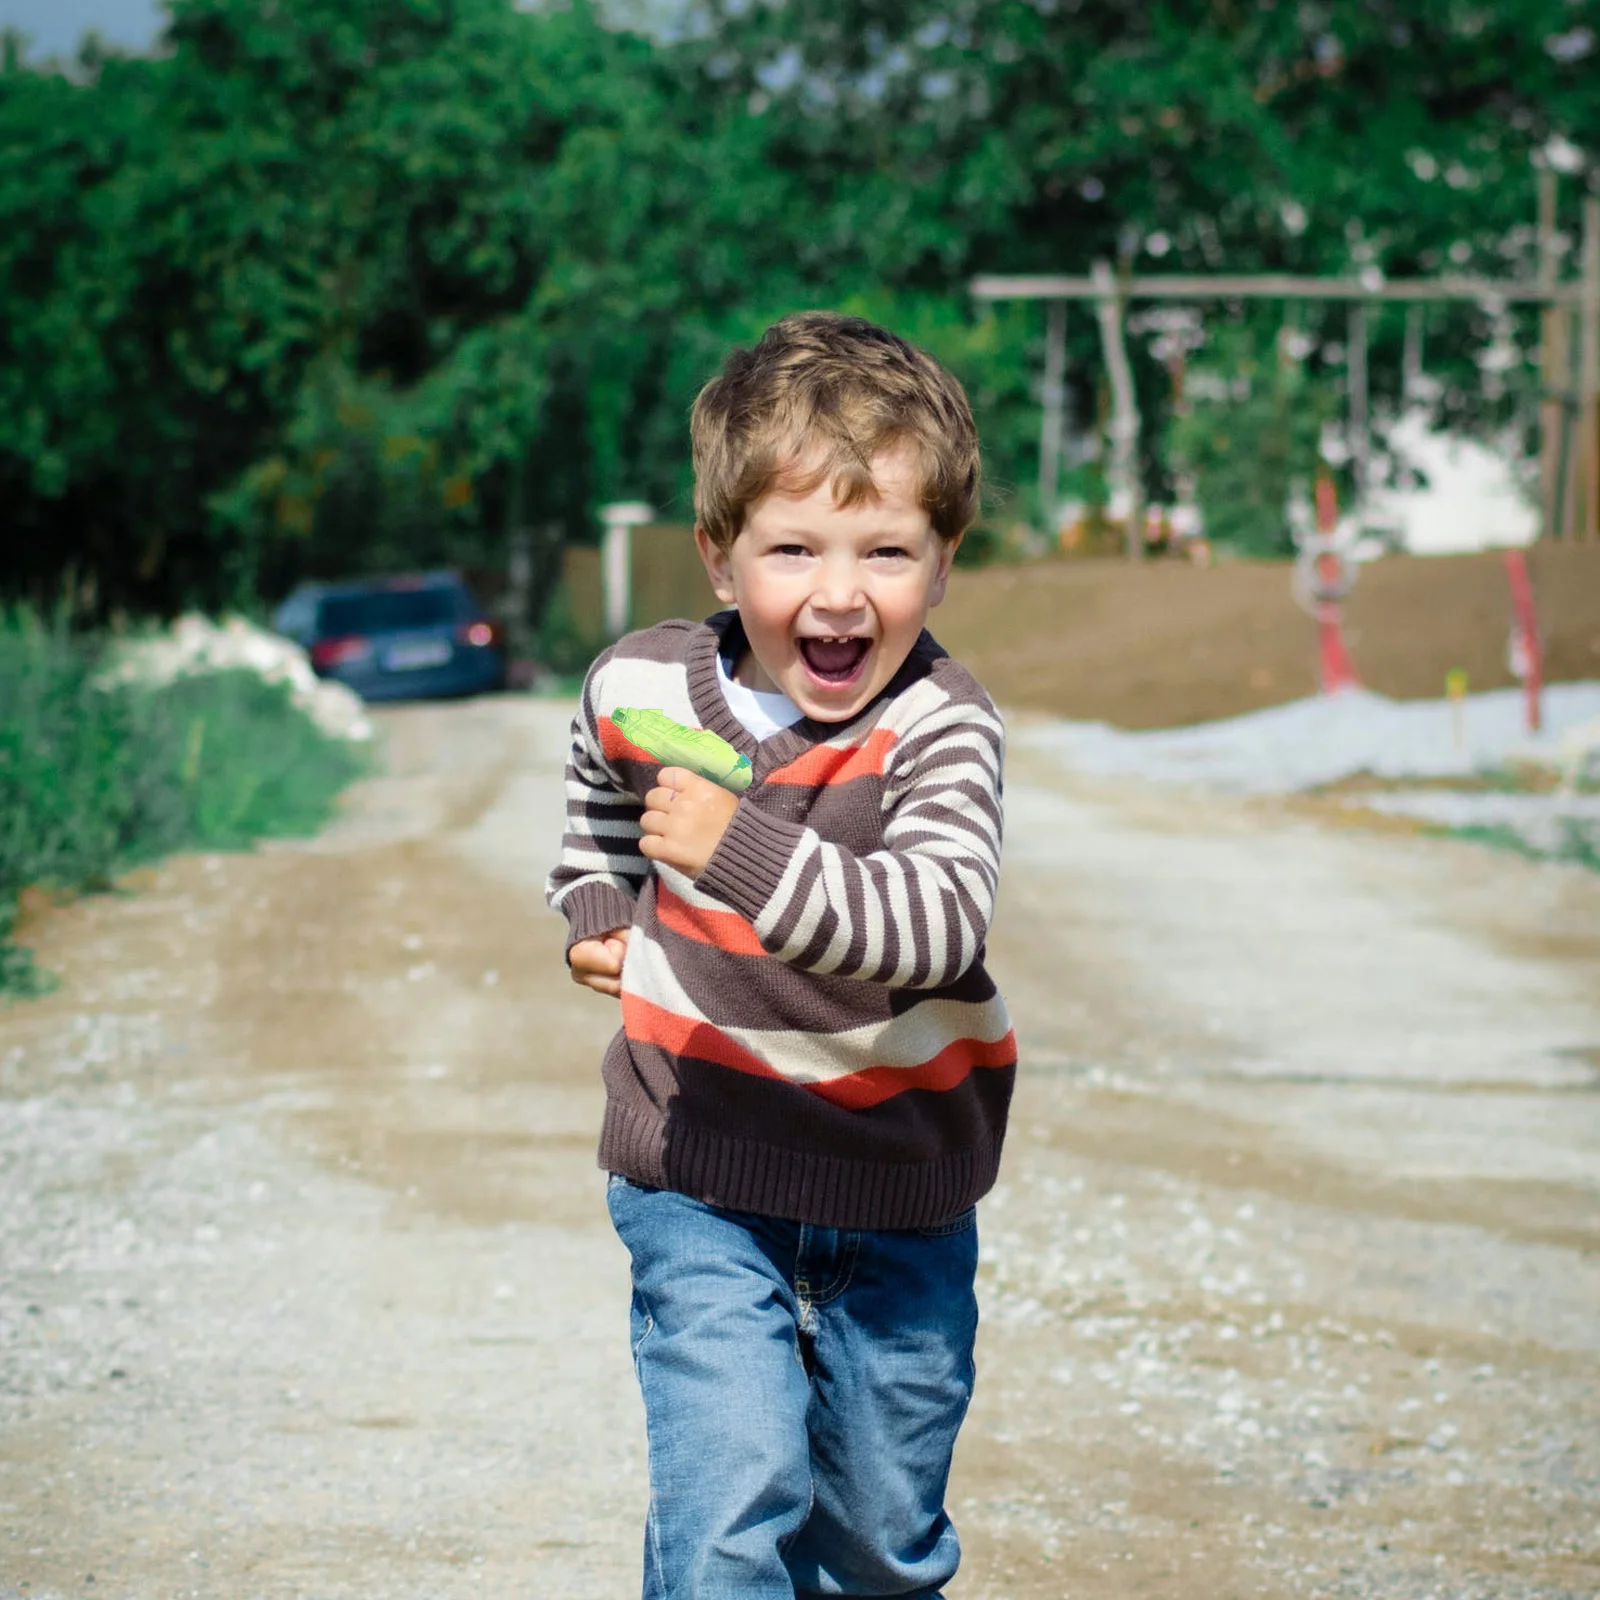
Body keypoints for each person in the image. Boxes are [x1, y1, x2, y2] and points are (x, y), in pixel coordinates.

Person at [545, 311, 1016, 1600]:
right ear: (719, 553)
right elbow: (595, 788)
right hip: (696, 1170)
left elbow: (935, 923)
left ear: (944, 560)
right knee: (731, 1496)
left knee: (878, 1540)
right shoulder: (640, 683)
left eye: (887, 551)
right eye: (793, 548)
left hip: (896, 1187)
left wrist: (732, 853)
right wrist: (599, 901)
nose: (840, 592)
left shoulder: (940, 728)